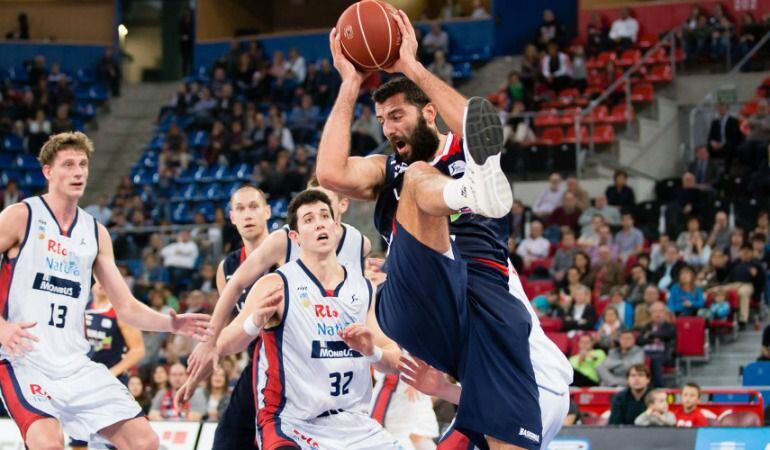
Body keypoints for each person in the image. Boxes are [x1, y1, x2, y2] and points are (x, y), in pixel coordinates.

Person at [320, 14, 572, 449]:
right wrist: (348, 83)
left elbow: (480, 126)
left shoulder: (465, 147)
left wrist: (412, 66)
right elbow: (330, 172)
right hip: (416, 293)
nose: (389, 128)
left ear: (429, 112)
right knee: (416, 177)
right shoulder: (389, 170)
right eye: (383, 119)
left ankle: (467, 189)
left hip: (475, 299)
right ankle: (464, 193)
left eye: (398, 115)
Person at [0, 132, 211, 450]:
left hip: (75, 363)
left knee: (145, 442)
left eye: (83, 164)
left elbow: (125, 306)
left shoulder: (95, 232)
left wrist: (171, 324)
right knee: (50, 444)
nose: (78, 172)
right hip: (24, 361)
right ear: (47, 172)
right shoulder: (21, 216)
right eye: (68, 164)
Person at [178, 182, 371, 449]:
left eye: (324, 212)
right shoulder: (252, 268)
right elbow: (235, 325)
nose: (247, 215)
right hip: (269, 358)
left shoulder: (356, 245)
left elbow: (362, 301)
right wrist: (209, 345)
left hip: (327, 364)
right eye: (240, 208)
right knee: (231, 439)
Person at [216, 190, 403, 449]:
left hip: (353, 425)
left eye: (325, 216)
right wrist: (253, 323)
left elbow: (395, 361)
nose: (319, 223)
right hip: (291, 425)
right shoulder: (276, 284)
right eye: (308, 219)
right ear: (295, 237)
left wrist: (372, 352)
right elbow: (224, 345)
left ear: (336, 226)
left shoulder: (362, 288)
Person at [70, 279, 147, 449]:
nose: (100, 283)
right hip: (82, 380)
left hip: (110, 382)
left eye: (103, 278)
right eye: (96, 279)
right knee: (78, 437)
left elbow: (138, 350)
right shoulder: (81, 308)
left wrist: (111, 372)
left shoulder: (120, 312)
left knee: (117, 438)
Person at [637, 302, 676, 388]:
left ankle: (658, 388)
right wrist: (652, 338)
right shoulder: (646, 327)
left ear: (665, 313)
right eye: (655, 311)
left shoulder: (669, 327)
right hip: (645, 353)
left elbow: (666, 335)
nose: (658, 314)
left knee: (655, 359)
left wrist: (649, 336)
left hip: (663, 354)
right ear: (650, 314)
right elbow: (639, 340)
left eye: (660, 311)